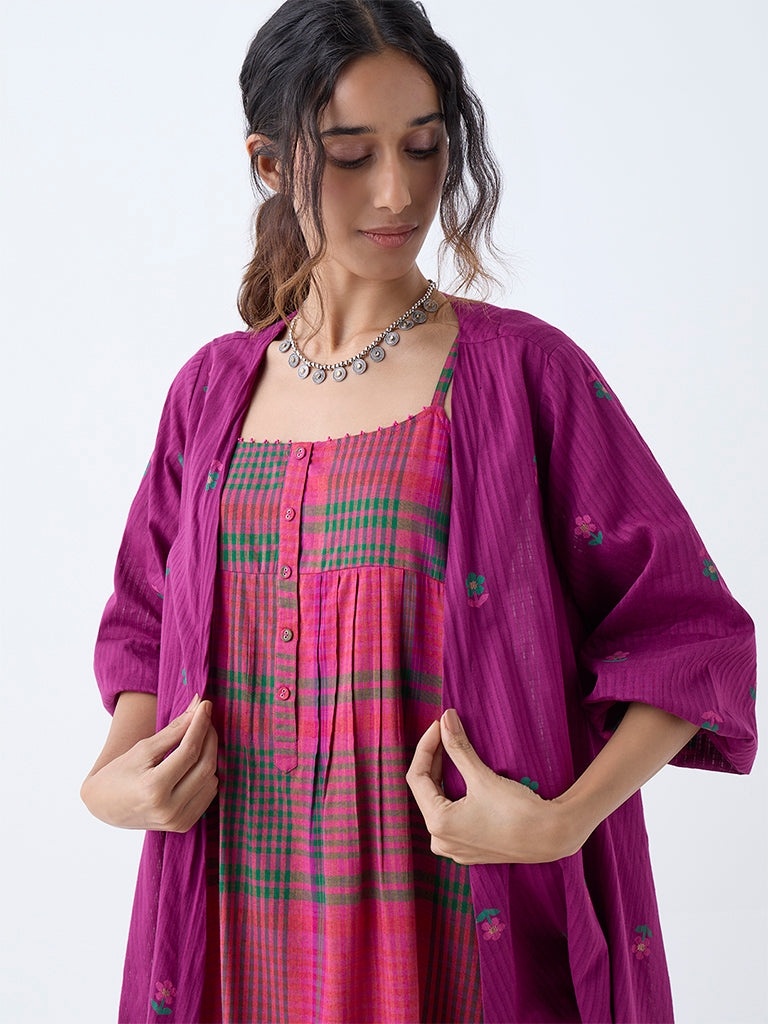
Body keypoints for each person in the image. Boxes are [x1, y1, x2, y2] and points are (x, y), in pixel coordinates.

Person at [80, 2, 757, 1022]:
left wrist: (563, 821)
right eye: (350, 155)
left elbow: (689, 635)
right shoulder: (210, 394)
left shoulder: (524, 377)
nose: (399, 192)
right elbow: (143, 628)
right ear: (270, 163)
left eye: (425, 147)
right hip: (236, 931)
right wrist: (108, 783)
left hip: (456, 934)